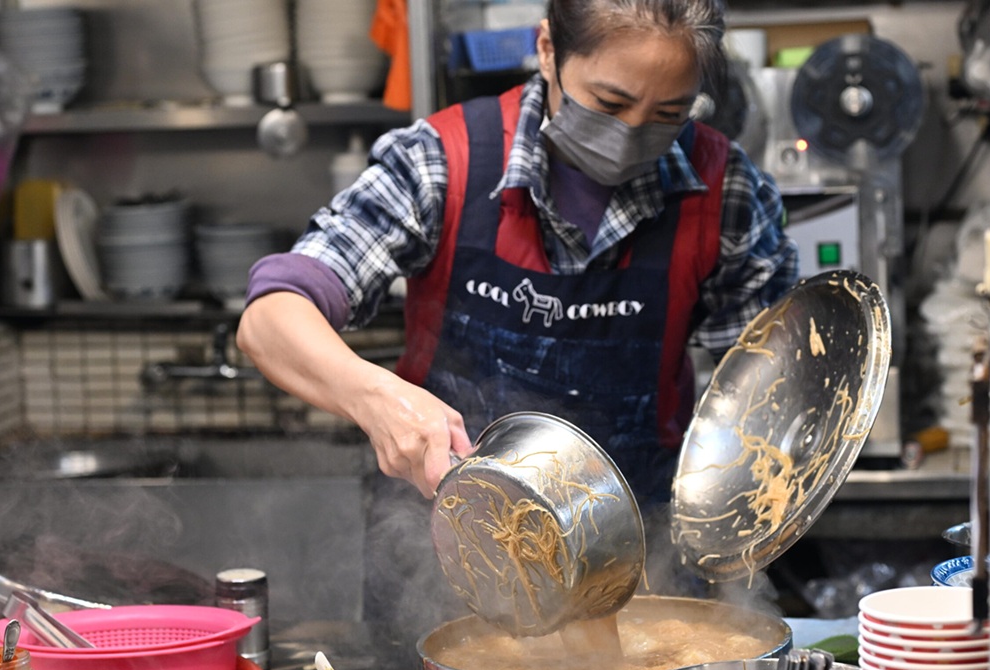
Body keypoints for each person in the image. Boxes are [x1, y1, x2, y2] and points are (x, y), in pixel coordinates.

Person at [237, 0, 797, 628]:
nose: (632, 132)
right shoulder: (443, 161)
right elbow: (271, 318)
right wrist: (376, 398)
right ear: (549, 49)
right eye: (609, 104)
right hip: (443, 567)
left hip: (642, 576)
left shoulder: (726, 192)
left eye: (668, 114)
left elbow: (766, 403)